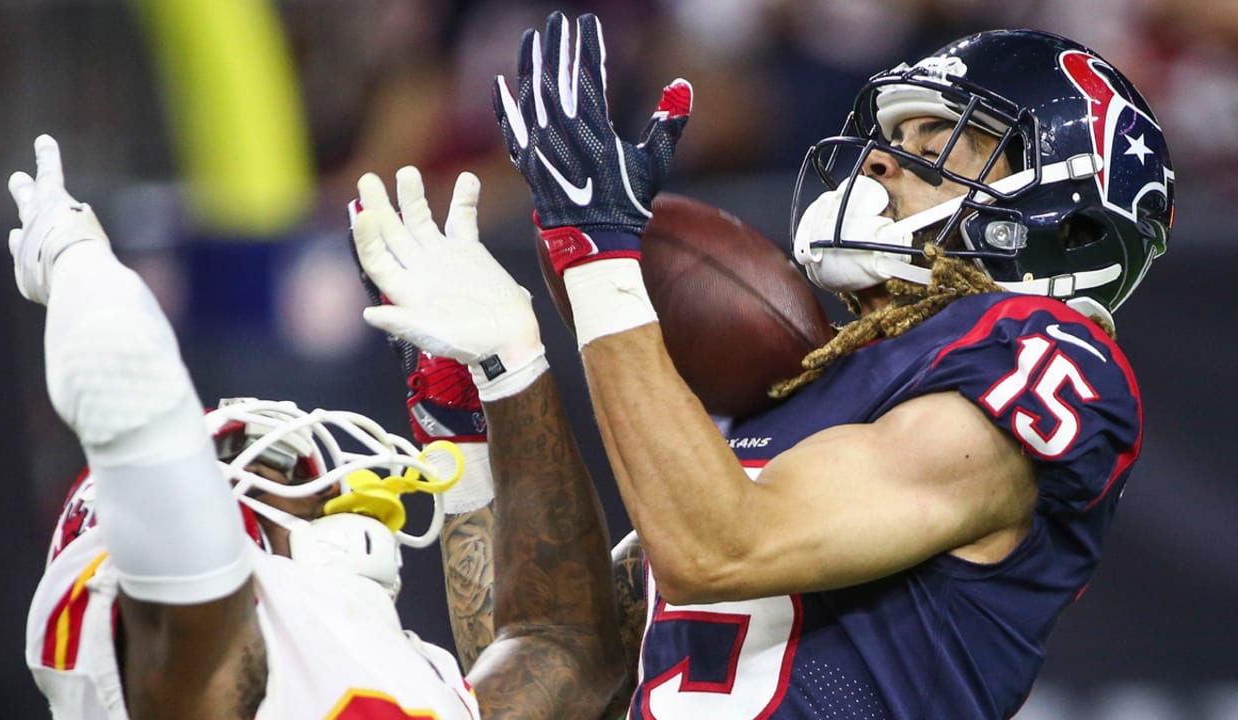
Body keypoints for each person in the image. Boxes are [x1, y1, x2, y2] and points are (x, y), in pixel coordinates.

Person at [363, 11, 1174, 719]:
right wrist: (496, 391)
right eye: (892, 140)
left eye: (940, 141)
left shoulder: (1036, 353)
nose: (884, 162)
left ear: (1069, 220)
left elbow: (721, 547)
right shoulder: (790, 380)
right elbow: (551, 674)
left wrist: (602, 258)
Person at [12, 134, 626, 719]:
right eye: (275, 465)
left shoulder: (392, 671)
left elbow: (563, 648)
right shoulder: (191, 672)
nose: (330, 486)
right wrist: (71, 254)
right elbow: (132, 399)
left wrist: (510, 371)